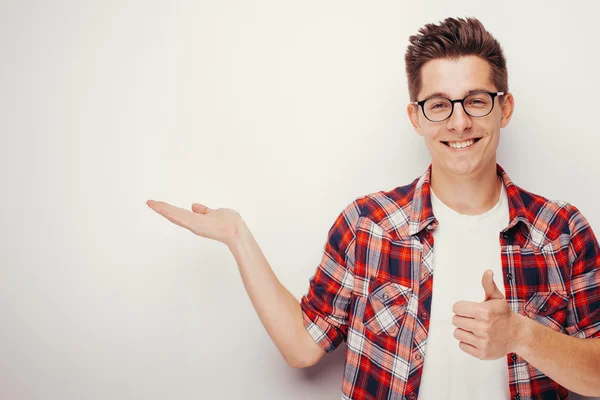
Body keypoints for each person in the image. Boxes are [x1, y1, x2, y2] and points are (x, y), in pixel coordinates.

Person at [146, 16, 600, 400]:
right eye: (439, 105)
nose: (460, 121)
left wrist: (522, 335)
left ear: (505, 108)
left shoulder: (562, 231)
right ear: (416, 117)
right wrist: (237, 237)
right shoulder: (367, 225)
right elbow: (303, 348)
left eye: (477, 101)